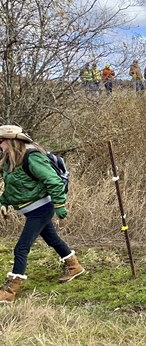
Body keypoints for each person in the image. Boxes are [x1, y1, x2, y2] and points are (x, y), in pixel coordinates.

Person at [0, 125, 85, 303]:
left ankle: (11, 290)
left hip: (42, 209)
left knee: (21, 248)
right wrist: (4, 202)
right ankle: (74, 266)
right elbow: (13, 186)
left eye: (1, 141)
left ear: (11, 141)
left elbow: (52, 180)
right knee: (52, 239)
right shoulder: (10, 160)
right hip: (31, 210)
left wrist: (60, 204)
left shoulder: (33, 158)